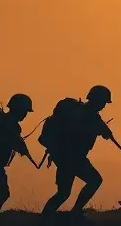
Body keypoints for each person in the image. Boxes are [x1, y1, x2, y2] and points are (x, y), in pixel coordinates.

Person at [39, 85, 115, 215]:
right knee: (94, 181)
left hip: (67, 157)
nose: (104, 106)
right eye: (103, 102)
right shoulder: (83, 115)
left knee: (63, 193)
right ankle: (74, 211)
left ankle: (46, 216)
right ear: (96, 100)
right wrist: (94, 129)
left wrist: (102, 131)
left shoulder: (89, 115)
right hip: (71, 157)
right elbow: (75, 134)